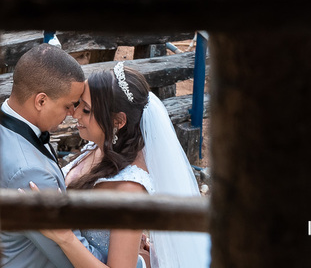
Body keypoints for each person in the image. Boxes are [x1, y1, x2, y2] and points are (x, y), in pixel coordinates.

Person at [43, 63, 211, 268]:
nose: (75, 113)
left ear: (118, 121)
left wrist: (64, 237)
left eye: (86, 110)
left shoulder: (130, 189)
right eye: (78, 104)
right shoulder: (100, 147)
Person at [0, 44, 98, 268]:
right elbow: (69, 260)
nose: (73, 113)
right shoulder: (29, 173)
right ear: (41, 101)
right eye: (68, 106)